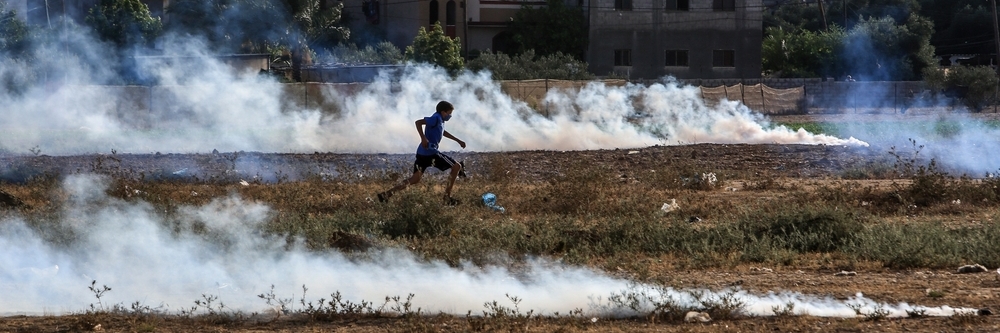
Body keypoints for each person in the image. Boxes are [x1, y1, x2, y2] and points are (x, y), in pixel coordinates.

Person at [378, 101, 466, 205]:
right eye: (449, 113)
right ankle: (447, 198)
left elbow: (443, 132)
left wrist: (458, 140)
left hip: (422, 153)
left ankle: (386, 194)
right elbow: (418, 122)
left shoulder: (440, 120)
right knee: (457, 166)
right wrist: (423, 138)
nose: (450, 116)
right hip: (431, 153)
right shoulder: (436, 118)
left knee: (415, 179)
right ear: (443, 112)